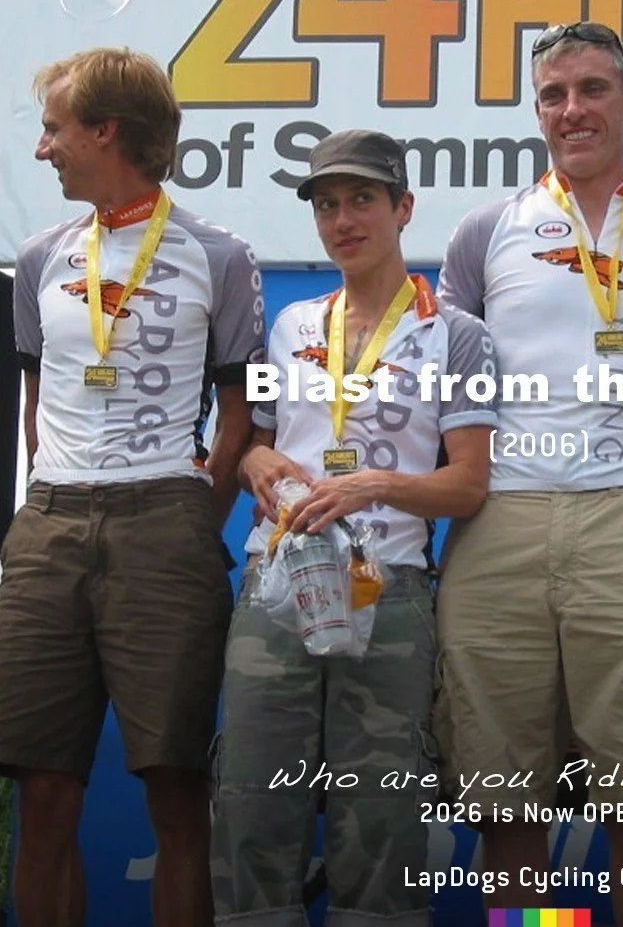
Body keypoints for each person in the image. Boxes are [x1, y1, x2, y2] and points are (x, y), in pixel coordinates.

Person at [435, 22, 623, 927]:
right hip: (501, 524)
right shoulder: (487, 232)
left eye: (594, 90)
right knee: (504, 805)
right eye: (554, 95)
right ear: (537, 111)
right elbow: (446, 388)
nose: (574, 111)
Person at [0, 47, 264, 927]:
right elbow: (38, 401)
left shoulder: (219, 256)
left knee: (176, 784)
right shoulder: (41, 257)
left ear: (106, 130)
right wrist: (55, 489)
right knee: (42, 787)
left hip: (165, 521)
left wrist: (196, 519)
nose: (44, 149)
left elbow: (243, 416)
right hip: (50, 527)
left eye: (55, 128)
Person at [210, 129, 496, 927]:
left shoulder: (456, 332)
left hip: (387, 590)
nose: (344, 219)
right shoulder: (293, 323)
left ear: (404, 208)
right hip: (280, 582)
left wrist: (375, 484)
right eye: (328, 205)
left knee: (380, 820)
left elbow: (469, 485)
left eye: (363, 199)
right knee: (252, 803)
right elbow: (259, 450)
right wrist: (256, 468)